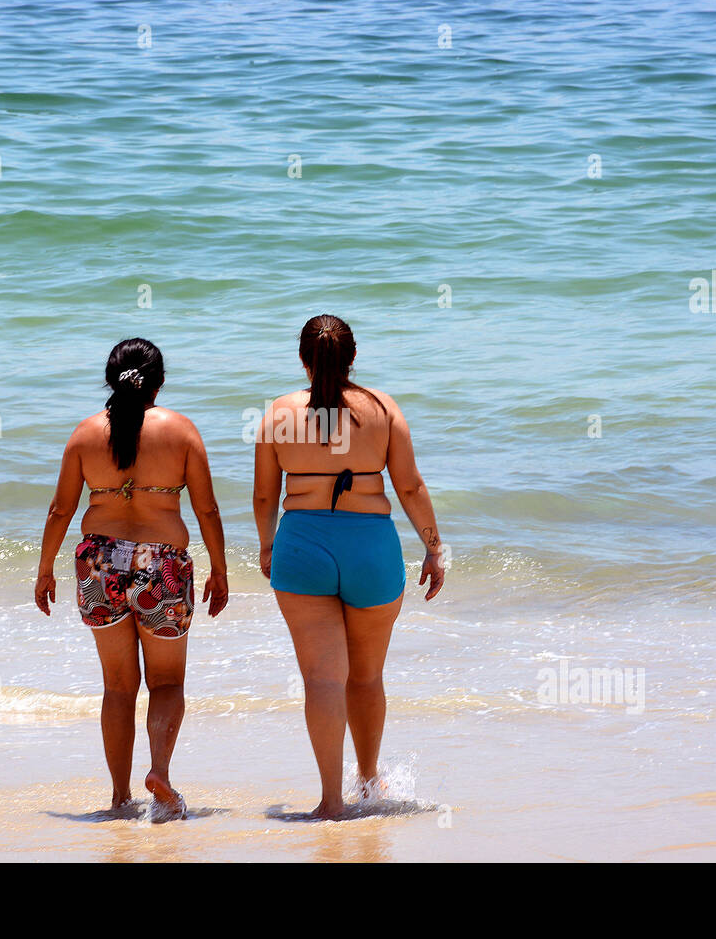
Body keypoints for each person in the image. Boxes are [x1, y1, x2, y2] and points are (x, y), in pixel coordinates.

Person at [253, 314, 445, 819]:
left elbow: (264, 493)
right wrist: (433, 546)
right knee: (366, 677)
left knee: (322, 680)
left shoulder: (278, 413)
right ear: (353, 357)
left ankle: (330, 802)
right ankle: (367, 779)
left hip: (302, 548)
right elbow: (410, 487)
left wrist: (267, 545)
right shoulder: (382, 409)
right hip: (370, 550)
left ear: (302, 358)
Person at [35, 338, 228, 821]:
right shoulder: (181, 431)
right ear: (159, 382)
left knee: (118, 686)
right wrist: (221, 569)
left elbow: (61, 509)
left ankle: (120, 797)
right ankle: (158, 771)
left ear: (110, 379)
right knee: (166, 681)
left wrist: (44, 570)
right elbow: (206, 507)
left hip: (98, 560)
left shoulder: (84, 434)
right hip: (160, 564)